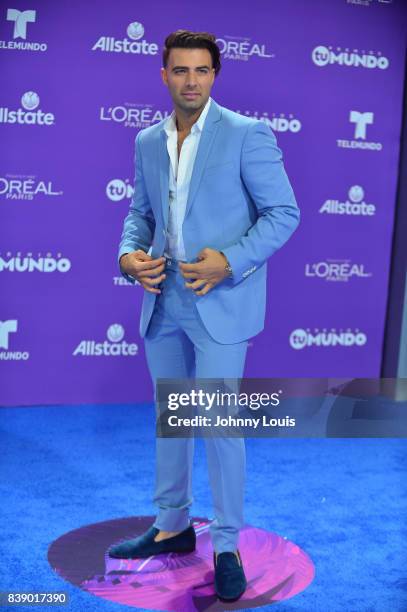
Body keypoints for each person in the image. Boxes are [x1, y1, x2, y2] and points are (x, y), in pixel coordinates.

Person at [108, 29, 300, 602]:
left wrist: (230, 262)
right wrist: (126, 254)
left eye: (202, 71)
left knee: (218, 423)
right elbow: (139, 213)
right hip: (161, 296)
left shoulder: (247, 134)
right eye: (180, 71)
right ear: (164, 74)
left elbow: (283, 213)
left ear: (215, 76)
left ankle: (226, 544)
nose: (191, 81)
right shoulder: (147, 141)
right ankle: (171, 526)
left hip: (221, 299)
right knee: (173, 415)